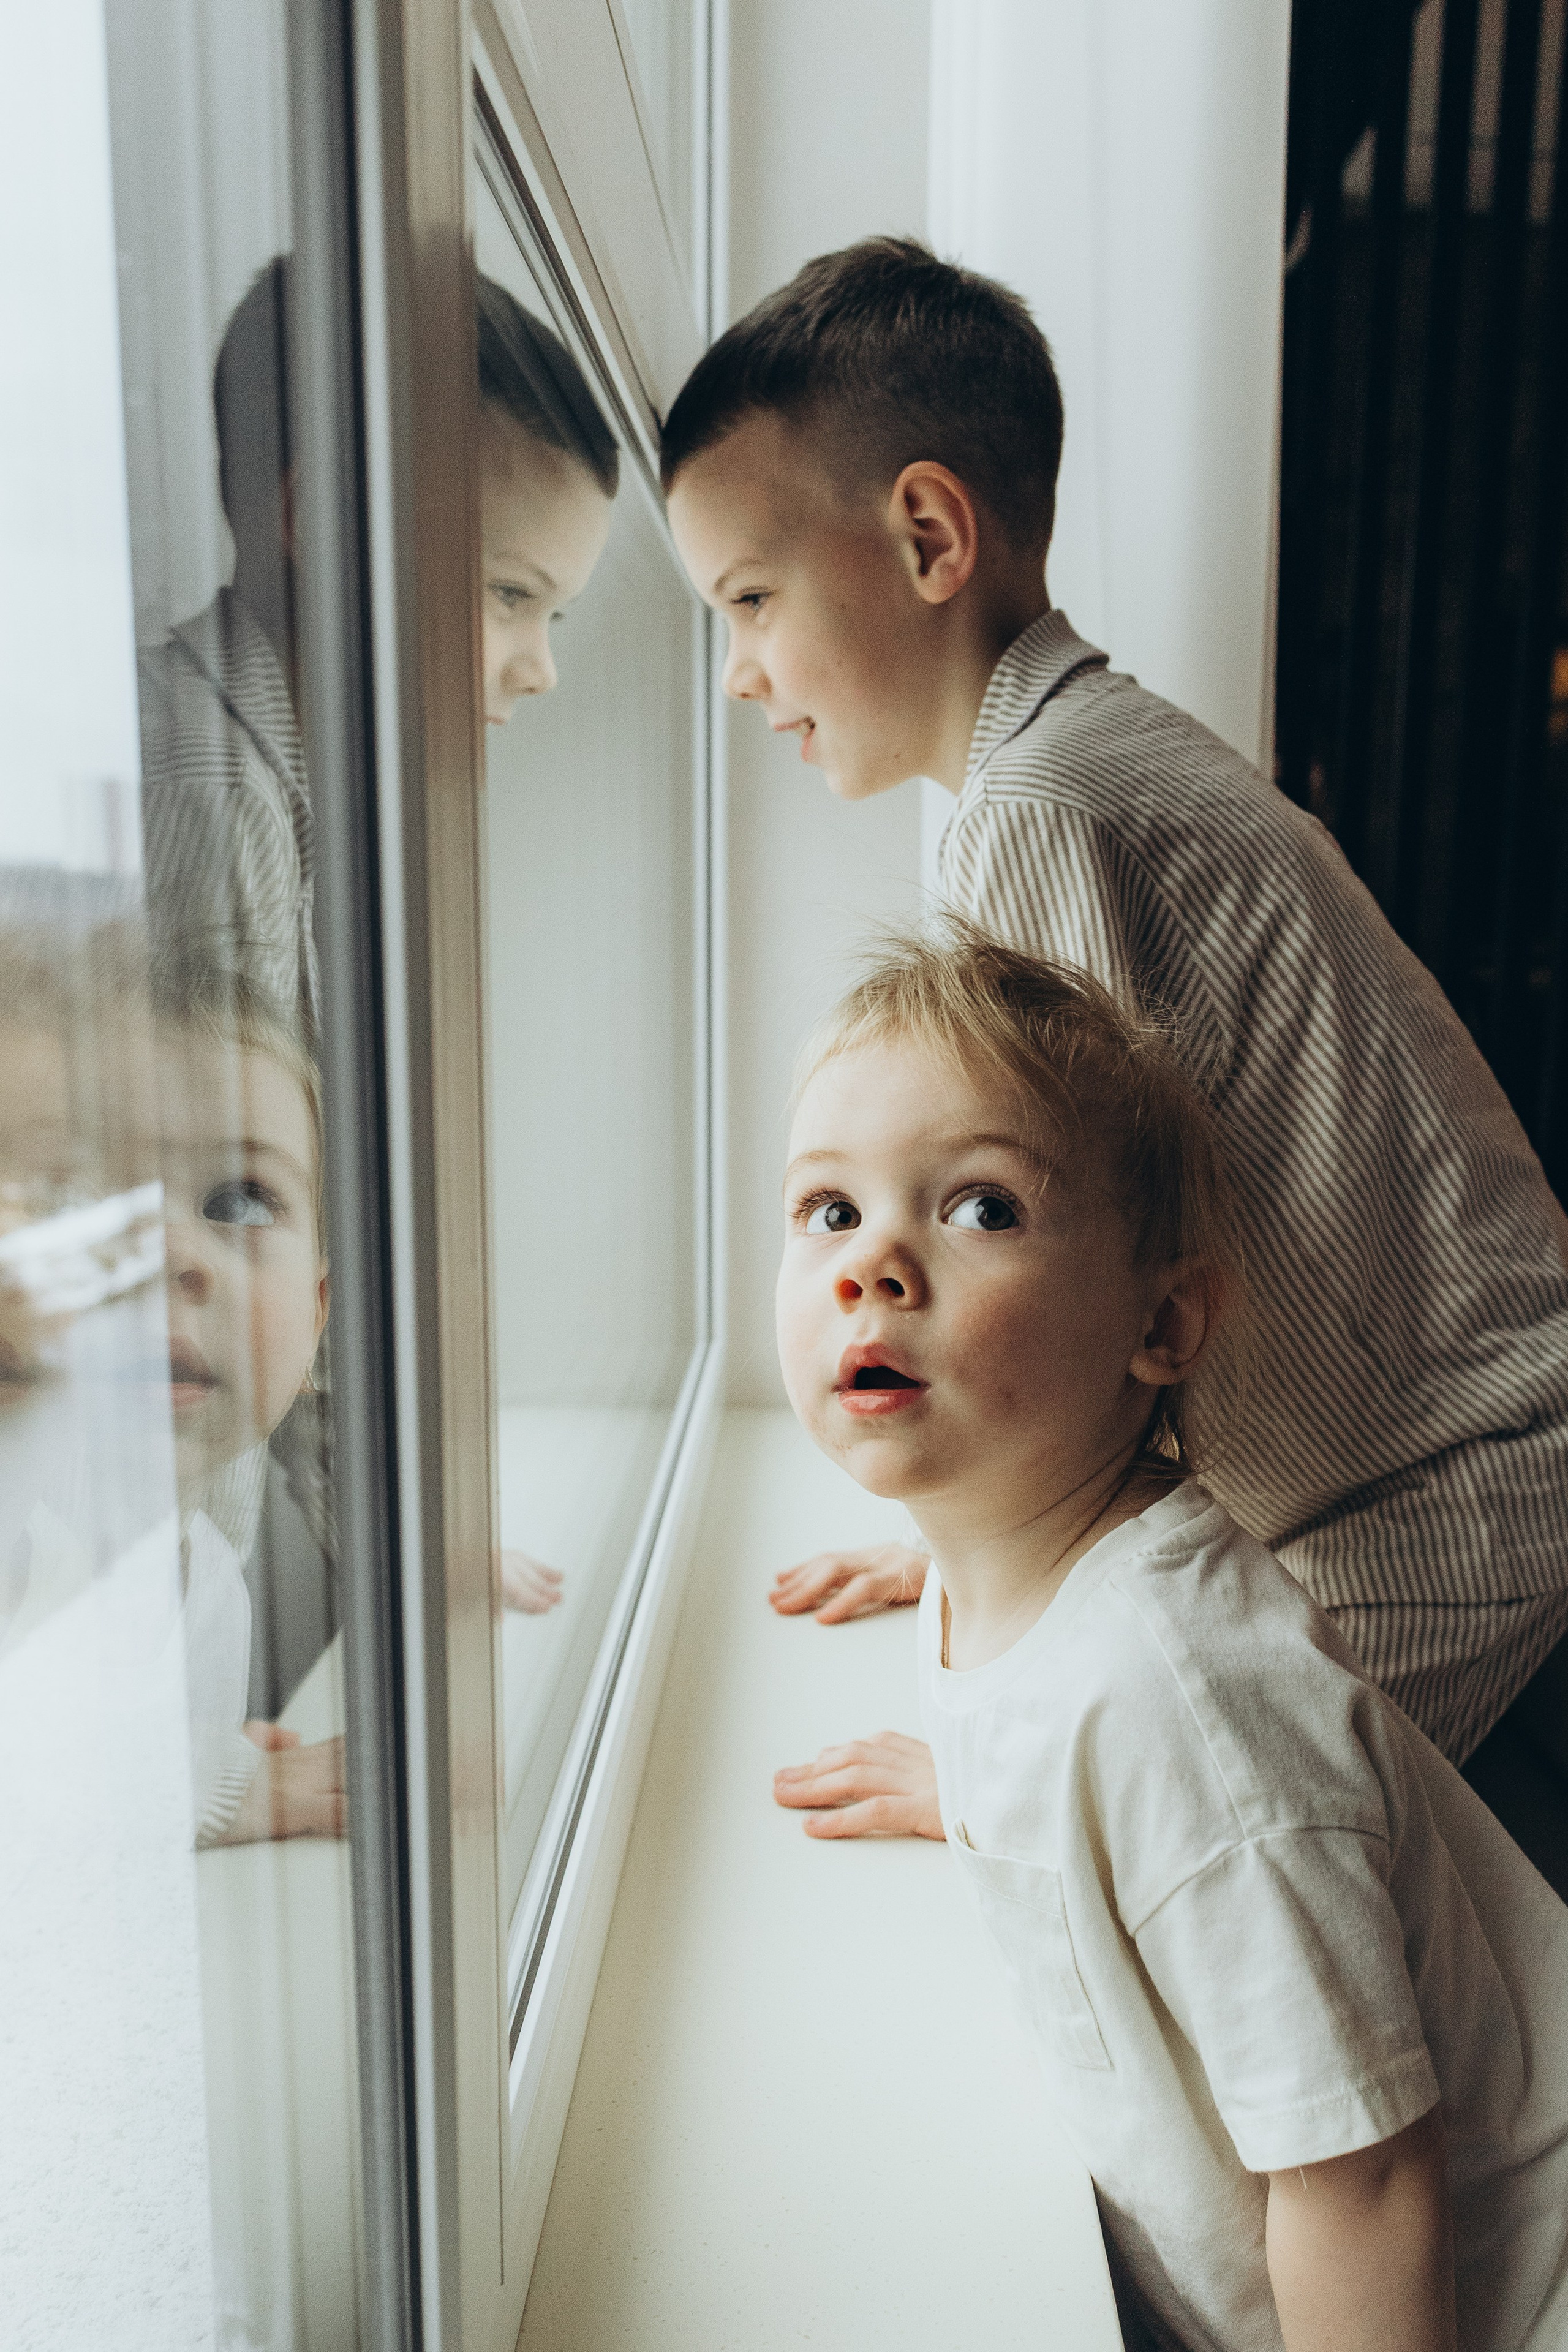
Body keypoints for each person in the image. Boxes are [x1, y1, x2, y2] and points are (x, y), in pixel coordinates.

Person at [660, 235, 1568, 1833]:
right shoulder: (1089, 765)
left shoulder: (1043, 815)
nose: (738, 673)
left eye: (749, 600)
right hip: (1453, 1469)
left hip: (1450, 1509)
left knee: (1183, 1804)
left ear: (930, 533)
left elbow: (1065, 1301)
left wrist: (1002, 1764)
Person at [775, 921, 1568, 2352]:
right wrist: (984, 1795)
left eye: (978, 1210)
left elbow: (1370, 2183)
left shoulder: (1181, 1707)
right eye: (828, 1211)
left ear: (1161, 1323)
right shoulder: (995, 1560)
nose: (871, 1264)